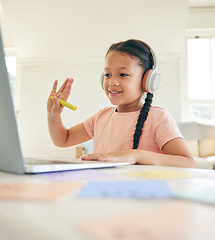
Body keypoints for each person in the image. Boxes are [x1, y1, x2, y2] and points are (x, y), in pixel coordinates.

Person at [47, 39, 195, 168]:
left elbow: (187, 163)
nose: (112, 82)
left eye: (123, 74)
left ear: (147, 80)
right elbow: (62, 139)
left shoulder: (158, 118)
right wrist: (53, 115)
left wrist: (136, 156)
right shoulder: (101, 117)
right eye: (107, 75)